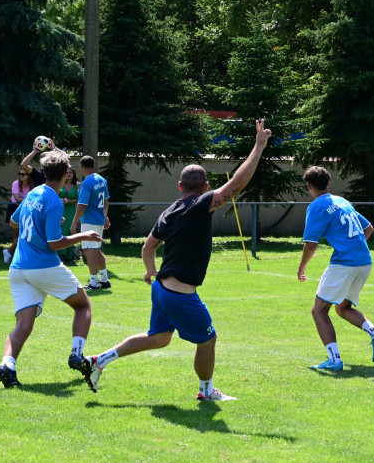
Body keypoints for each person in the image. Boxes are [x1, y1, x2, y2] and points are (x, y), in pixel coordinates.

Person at [82, 119, 272, 401]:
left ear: (180, 186)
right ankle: (206, 392)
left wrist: (150, 272)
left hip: (162, 289)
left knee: (159, 338)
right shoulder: (200, 205)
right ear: (205, 186)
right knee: (208, 340)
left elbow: (148, 247)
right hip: (179, 294)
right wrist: (258, 147)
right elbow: (237, 184)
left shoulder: (169, 211)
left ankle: (99, 361)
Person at [0, 149, 105, 388]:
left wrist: (49, 222)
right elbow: (54, 243)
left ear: (43, 172)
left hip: (18, 269)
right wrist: (83, 235)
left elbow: (14, 221)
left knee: (23, 324)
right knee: (83, 305)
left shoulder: (34, 192)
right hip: (42, 266)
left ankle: (7, 364)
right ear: (67, 175)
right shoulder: (54, 200)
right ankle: (77, 355)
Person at [297, 166, 374, 371]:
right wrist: (354, 246)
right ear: (328, 184)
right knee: (342, 308)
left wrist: (301, 267)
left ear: (309, 186)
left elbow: (311, 244)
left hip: (344, 263)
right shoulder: (342, 201)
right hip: (364, 262)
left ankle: (335, 360)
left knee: (319, 310)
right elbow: (369, 228)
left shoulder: (316, 207)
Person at [71, 156, 111, 290]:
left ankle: (94, 282)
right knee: (96, 249)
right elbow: (106, 200)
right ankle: (104, 279)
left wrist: (74, 223)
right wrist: (105, 216)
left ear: (81, 167)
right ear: (93, 166)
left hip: (89, 221)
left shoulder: (86, 183)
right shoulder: (102, 180)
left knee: (89, 250)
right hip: (99, 220)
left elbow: (82, 205)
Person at [3, 169, 33, 264]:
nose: (20, 176)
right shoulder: (15, 183)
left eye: (23, 174)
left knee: (23, 233)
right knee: (16, 233)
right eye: (19, 174)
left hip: (26, 209)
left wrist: (27, 201)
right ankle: (14, 254)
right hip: (15, 208)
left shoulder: (32, 185)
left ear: (28, 175)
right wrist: (28, 200)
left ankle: (10, 252)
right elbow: (17, 198)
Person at [58, 166, 81, 263]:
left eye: (70, 172)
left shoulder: (78, 185)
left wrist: (68, 200)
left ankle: (69, 256)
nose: (68, 174)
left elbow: (78, 199)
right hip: (60, 210)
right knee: (61, 231)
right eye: (66, 172)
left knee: (69, 231)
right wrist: (60, 200)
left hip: (71, 210)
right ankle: (60, 255)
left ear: (73, 174)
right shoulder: (60, 183)